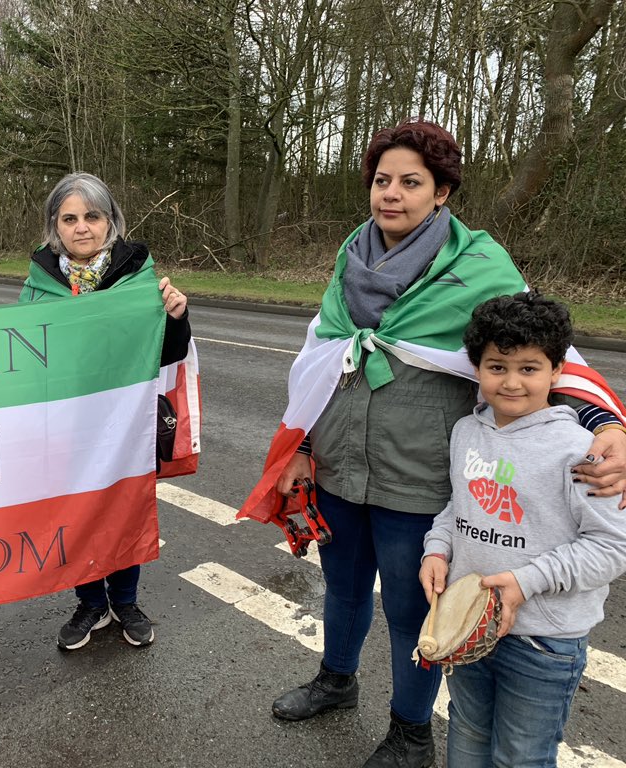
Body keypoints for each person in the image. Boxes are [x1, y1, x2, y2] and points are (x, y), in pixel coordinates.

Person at [241, 119, 626, 768]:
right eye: (382, 180)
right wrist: (301, 444)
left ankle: (410, 732)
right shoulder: (352, 253)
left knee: (410, 611)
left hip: (419, 477)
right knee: (340, 587)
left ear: (442, 190)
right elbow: (322, 358)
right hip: (338, 465)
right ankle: (336, 680)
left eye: (411, 182)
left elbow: (538, 355)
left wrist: (605, 424)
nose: (391, 193)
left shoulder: (478, 263)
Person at [420, 292, 626, 768]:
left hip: (543, 640)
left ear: (557, 372)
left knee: (521, 757)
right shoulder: (466, 432)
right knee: (466, 732)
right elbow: (458, 506)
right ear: (477, 368)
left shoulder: (582, 451)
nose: (511, 382)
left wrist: (524, 581)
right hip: (469, 624)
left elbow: (612, 546)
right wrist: (437, 550)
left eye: (529, 369)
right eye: (497, 366)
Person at [18, 171, 191, 650]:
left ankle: (126, 601)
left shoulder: (139, 280)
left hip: (125, 427)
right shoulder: (37, 287)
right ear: (55, 226)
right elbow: (22, 361)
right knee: (77, 515)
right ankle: (91, 603)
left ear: (110, 221)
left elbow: (167, 354)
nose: (82, 227)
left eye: (92, 216)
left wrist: (176, 317)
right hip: (67, 429)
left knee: (123, 509)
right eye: (69, 218)